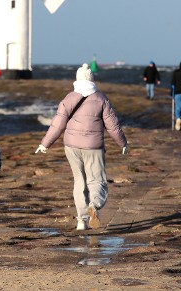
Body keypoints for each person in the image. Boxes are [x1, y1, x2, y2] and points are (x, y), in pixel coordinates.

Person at [35, 63, 129, 231]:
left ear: (77, 79)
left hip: (71, 146)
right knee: (97, 180)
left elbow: (57, 124)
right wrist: (123, 143)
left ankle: (81, 221)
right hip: (93, 147)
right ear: (92, 79)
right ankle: (94, 205)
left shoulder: (68, 98)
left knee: (79, 182)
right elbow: (113, 126)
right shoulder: (101, 99)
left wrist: (45, 144)